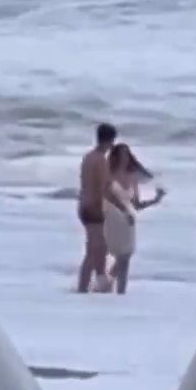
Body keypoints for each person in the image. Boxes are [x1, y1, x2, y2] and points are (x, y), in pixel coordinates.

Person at [103, 143, 165, 294]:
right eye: (122, 155)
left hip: (128, 221)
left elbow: (136, 205)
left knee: (125, 258)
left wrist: (156, 199)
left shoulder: (132, 178)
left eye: (127, 155)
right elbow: (104, 196)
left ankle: (119, 292)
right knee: (119, 256)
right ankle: (106, 285)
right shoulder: (108, 175)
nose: (125, 158)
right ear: (115, 156)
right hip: (110, 218)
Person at [77, 123, 119, 293]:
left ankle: (96, 284)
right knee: (95, 250)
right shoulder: (100, 160)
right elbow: (103, 188)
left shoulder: (88, 157)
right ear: (110, 141)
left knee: (97, 249)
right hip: (94, 208)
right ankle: (84, 288)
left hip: (83, 206)